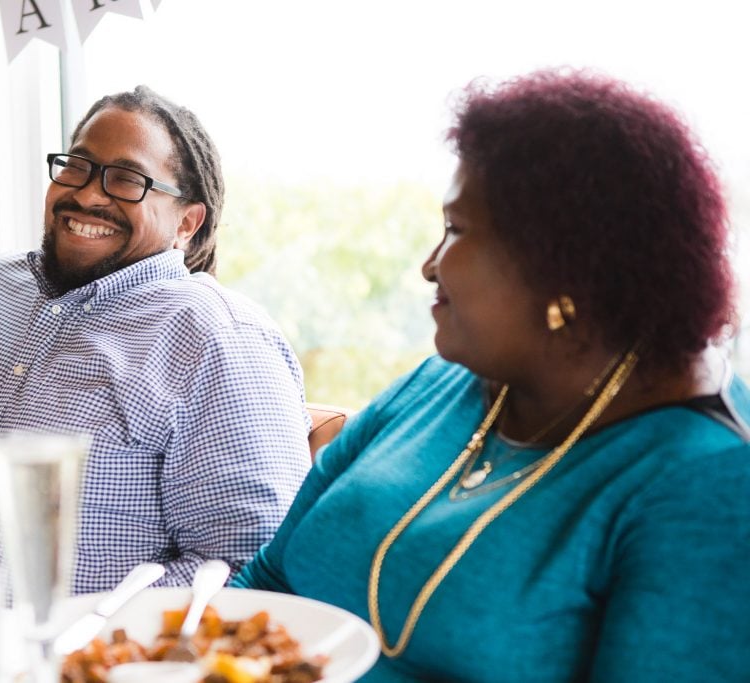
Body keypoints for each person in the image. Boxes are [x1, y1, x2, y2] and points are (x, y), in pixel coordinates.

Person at [233, 68, 750, 681]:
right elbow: (263, 585)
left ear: (563, 266)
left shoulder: (707, 480)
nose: (429, 266)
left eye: (455, 228)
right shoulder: (433, 387)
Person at [0, 86, 311, 592]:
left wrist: (80, 639)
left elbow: (249, 568)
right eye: (77, 167)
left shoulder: (220, 341)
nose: (89, 195)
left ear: (187, 223)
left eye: (127, 180)